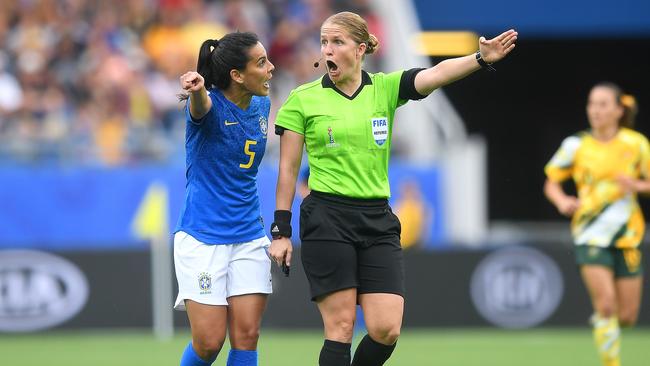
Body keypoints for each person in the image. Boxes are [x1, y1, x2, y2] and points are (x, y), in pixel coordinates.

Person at [267, 11, 517, 366]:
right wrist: (281, 229)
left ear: (361, 48)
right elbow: (288, 170)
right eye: (324, 42)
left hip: (377, 220)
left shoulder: (384, 88)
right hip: (327, 218)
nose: (328, 50)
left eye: (337, 42)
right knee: (340, 326)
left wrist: (480, 58)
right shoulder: (303, 99)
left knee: (387, 329)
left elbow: (435, 74)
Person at [174, 31, 275, 366]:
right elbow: (201, 107)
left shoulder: (261, 103)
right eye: (261, 63)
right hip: (203, 237)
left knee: (247, 336)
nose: (271, 68)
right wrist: (199, 90)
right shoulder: (208, 106)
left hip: (248, 235)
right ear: (237, 75)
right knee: (208, 343)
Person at [544, 82, 645, 366]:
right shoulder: (576, 145)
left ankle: (603, 323)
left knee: (626, 317)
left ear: (618, 110)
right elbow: (551, 182)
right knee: (607, 305)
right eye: (592, 104)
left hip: (628, 235)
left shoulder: (635, 144)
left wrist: (636, 184)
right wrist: (562, 201)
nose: (595, 110)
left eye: (602, 104)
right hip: (589, 233)